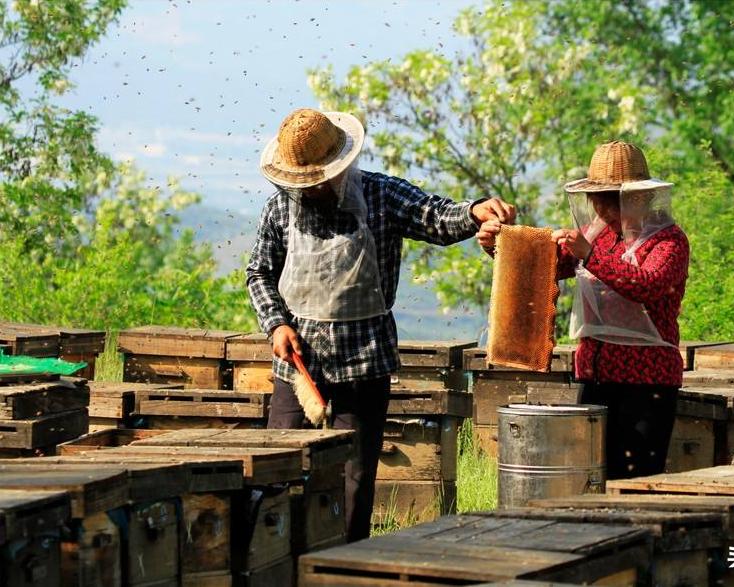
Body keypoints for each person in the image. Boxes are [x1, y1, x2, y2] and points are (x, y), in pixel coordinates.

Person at [246, 108, 516, 541]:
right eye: (305, 182)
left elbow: (436, 216)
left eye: (319, 179)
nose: (312, 188)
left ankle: (345, 567)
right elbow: (258, 272)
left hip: (364, 364)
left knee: (354, 481)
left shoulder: (381, 195)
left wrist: (475, 212)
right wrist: (276, 324)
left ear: (341, 163)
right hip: (299, 369)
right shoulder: (280, 208)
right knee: (279, 471)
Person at [479, 140, 688, 479]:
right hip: (595, 377)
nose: (604, 211)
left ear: (640, 196)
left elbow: (648, 285)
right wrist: (499, 243)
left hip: (647, 384)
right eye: (599, 200)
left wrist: (590, 255)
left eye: (612, 201)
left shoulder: (669, 241)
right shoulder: (599, 234)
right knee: (591, 479)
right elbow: (542, 268)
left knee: (634, 483)